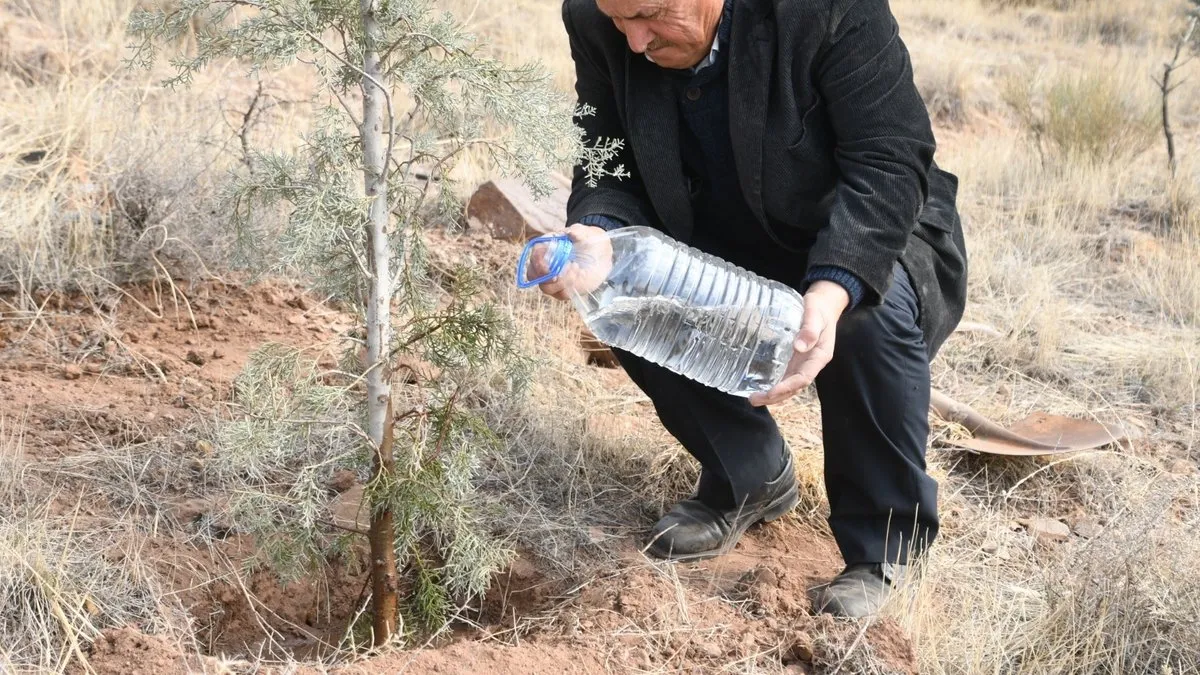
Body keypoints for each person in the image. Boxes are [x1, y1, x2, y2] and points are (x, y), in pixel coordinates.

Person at [540, 0, 968, 618]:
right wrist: (603, 233)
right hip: (717, 227)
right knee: (622, 287)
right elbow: (604, 156)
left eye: (650, 15)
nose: (633, 42)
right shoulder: (595, 16)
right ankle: (749, 474)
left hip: (867, 227)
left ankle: (886, 550)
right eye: (619, 20)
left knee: (861, 315)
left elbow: (889, 159)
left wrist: (832, 286)